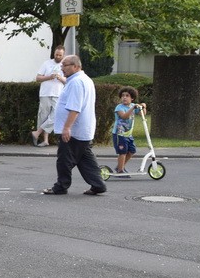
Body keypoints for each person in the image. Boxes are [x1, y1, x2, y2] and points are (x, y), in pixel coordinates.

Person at [42, 54, 107, 196]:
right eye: (61, 66)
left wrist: (66, 128)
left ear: (76, 66)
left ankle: (61, 186)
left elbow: (75, 108)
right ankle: (98, 185)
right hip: (82, 130)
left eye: (65, 65)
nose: (62, 68)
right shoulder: (82, 80)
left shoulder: (77, 82)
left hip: (74, 131)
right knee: (85, 159)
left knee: (64, 159)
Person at [31, 45, 66, 147]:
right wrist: (49, 77)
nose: (58, 57)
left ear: (63, 55)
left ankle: (37, 132)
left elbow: (67, 81)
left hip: (58, 94)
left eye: (60, 55)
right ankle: (45, 140)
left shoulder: (65, 65)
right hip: (45, 93)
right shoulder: (46, 64)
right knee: (44, 116)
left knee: (55, 116)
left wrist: (60, 78)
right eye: (56, 54)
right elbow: (38, 78)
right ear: (54, 53)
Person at [112, 88, 146, 175]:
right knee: (122, 152)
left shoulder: (133, 106)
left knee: (131, 151)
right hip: (119, 134)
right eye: (123, 96)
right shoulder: (119, 107)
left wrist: (143, 106)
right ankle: (120, 170)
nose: (124, 98)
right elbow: (124, 116)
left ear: (132, 98)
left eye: (127, 96)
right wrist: (133, 108)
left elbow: (143, 113)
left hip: (128, 134)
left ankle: (120, 166)